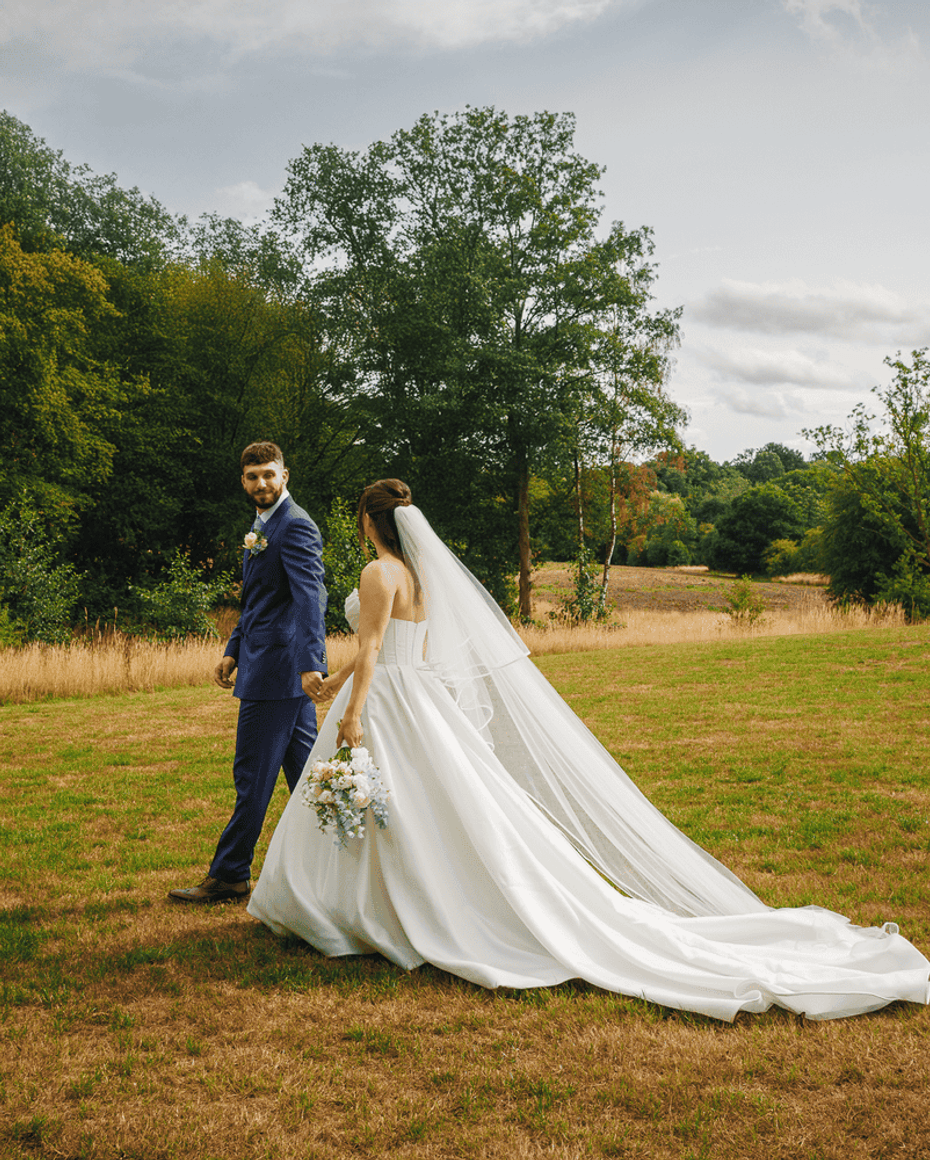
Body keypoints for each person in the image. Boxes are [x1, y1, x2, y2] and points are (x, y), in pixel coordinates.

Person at [247, 479, 930, 1020]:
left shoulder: (379, 573)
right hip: (417, 694)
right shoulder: (419, 575)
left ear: (367, 522)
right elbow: (390, 646)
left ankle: (362, 909)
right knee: (428, 808)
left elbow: (374, 648)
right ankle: (368, 904)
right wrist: (332, 681)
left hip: (390, 701)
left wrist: (351, 713)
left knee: (396, 805)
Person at [169, 442, 328, 904]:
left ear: (285, 476)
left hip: (279, 672)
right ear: (243, 480)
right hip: (268, 664)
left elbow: (311, 599)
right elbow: (259, 601)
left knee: (252, 777)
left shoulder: (294, 525)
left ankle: (231, 874)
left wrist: (311, 664)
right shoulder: (262, 525)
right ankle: (341, 865)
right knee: (310, 780)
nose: (262, 483)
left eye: (269, 474)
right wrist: (233, 649)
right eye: (253, 476)